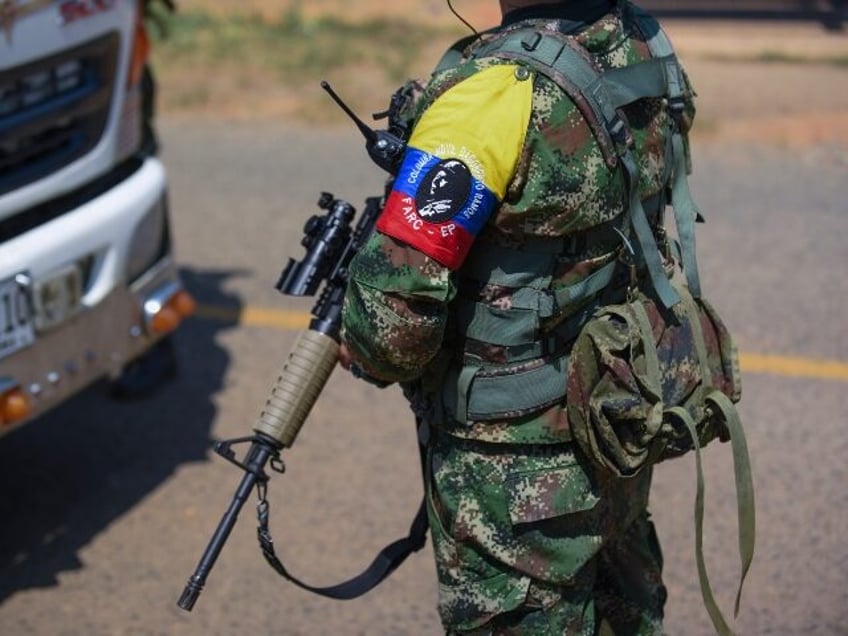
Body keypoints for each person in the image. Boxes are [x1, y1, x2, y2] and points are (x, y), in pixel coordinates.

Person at [338, 1, 698, 633]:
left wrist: (359, 347)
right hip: (614, 415)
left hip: (513, 469)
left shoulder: (491, 95)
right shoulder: (640, 46)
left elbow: (393, 325)